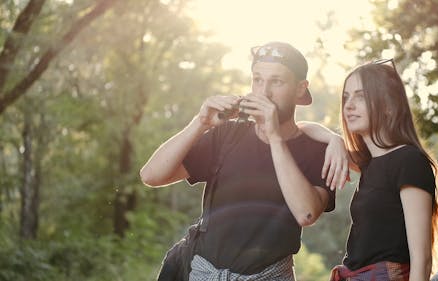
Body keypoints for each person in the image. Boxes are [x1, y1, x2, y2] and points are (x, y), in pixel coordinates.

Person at [140, 42, 348, 280]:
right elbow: (151, 176)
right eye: (257, 80)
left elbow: (307, 215)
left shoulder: (318, 150)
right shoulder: (228, 134)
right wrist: (200, 122)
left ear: (301, 89)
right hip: (204, 273)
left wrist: (274, 136)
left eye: (276, 82)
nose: (264, 91)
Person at [301, 59, 438, 281]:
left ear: (389, 106)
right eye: (346, 97)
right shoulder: (367, 162)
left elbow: (421, 260)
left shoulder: (409, 160)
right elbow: (301, 128)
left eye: (360, 96)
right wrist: (334, 139)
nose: (349, 105)